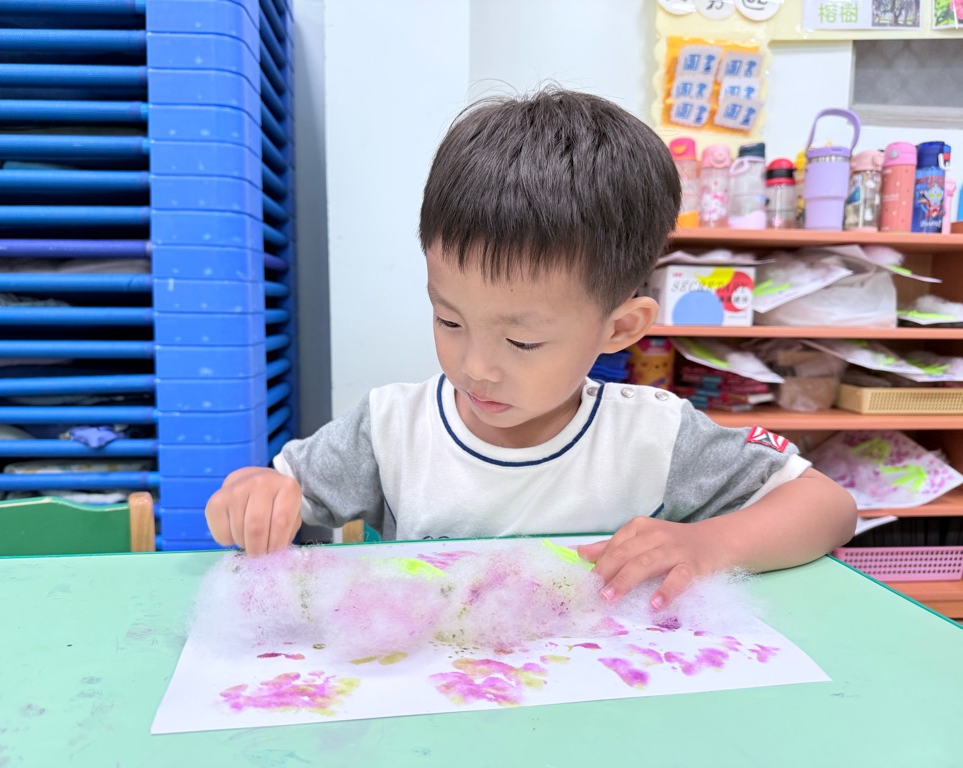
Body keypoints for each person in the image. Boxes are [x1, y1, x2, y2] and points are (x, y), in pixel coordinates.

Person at [206, 88, 857, 611]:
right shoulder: (390, 430)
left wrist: (707, 543)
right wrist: (252, 495)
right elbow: (271, 493)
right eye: (449, 319)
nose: (475, 367)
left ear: (620, 330)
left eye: (522, 340)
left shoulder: (655, 438)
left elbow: (828, 507)